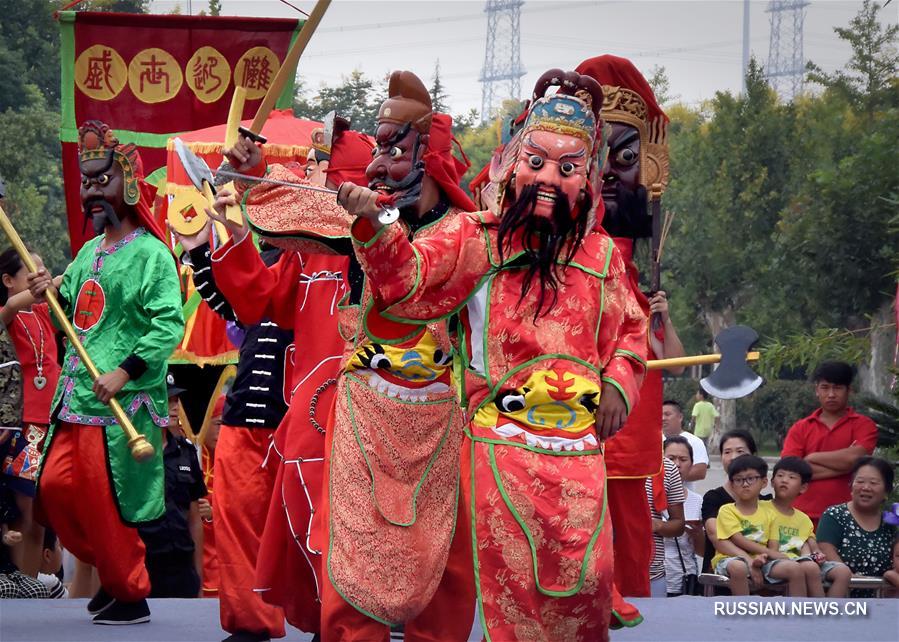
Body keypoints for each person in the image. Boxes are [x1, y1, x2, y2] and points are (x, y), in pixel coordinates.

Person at [340, 68, 647, 641]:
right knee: (512, 590)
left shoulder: (601, 255)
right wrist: (374, 224)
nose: (550, 179)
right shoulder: (476, 239)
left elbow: (630, 329)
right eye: (537, 162)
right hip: (497, 448)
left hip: (579, 453)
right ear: (510, 163)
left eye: (568, 167)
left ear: (589, 177)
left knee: (587, 583)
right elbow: (408, 280)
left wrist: (618, 385)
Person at [217, 75, 477, 642]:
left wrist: (369, 224)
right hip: (355, 420)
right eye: (376, 151)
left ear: (429, 159)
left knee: (445, 568)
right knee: (348, 568)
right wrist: (252, 172)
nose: (379, 167)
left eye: (395, 151)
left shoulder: (464, 233)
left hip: (438, 427)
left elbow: (409, 273)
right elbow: (291, 214)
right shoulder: (357, 227)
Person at [26, 120, 184, 625]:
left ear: (129, 184)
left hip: (121, 402)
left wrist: (125, 370)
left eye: (102, 181)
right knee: (54, 487)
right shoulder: (89, 252)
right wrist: (46, 290)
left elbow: (168, 327)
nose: (93, 192)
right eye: (87, 183)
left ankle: (129, 591)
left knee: (103, 497)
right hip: (77, 396)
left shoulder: (152, 255)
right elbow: (70, 312)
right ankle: (112, 573)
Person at [574, 54, 676, 617]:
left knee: (625, 510)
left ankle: (628, 604)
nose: (609, 172)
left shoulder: (638, 273)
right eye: (593, 155)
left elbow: (669, 357)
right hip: (555, 396)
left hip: (622, 398)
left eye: (626, 156)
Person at [174, 224, 295, 641]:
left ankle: (335, 621)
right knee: (236, 516)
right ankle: (251, 622)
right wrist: (198, 253)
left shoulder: (323, 260)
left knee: (318, 526)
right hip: (246, 416)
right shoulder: (262, 260)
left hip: (302, 418)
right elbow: (231, 305)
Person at [0, 248, 61, 578]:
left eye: (43, 271)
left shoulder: (45, 314)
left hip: (53, 422)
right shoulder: (6, 312)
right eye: (31, 273)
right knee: (23, 508)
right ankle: (17, 584)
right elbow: (10, 306)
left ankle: (33, 583)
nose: (40, 278)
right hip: (20, 426)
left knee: (41, 510)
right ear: (8, 280)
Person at [781, 361, 878, 525]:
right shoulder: (800, 428)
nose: (831, 394)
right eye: (825, 387)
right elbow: (791, 473)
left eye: (838, 387)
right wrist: (846, 466)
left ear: (849, 390)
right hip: (803, 516)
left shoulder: (864, 425)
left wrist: (811, 458)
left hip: (850, 515)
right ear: (817, 390)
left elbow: (856, 460)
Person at [137, 377, 206, 599]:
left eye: (176, 400)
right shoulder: (133, 454)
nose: (175, 407)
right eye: (167, 400)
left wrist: (199, 577)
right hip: (144, 564)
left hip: (182, 565)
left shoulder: (186, 452)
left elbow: (194, 519)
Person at [762, 456, 851, 597]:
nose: (784, 480)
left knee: (843, 572)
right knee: (808, 567)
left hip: (802, 560)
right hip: (773, 562)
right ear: (772, 482)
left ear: (803, 487)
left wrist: (818, 555)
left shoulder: (803, 519)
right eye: (780, 475)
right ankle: (814, 612)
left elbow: (813, 547)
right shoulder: (761, 509)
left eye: (792, 477)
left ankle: (832, 612)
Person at [817, 457, 897, 594]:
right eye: (860, 481)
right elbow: (826, 552)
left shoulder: (890, 522)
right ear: (851, 486)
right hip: (841, 599)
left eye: (874, 483)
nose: (866, 488)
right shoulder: (834, 515)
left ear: (886, 491)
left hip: (882, 602)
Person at [701, 429, 770, 573]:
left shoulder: (767, 502)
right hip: (724, 576)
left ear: (753, 455)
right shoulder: (713, 498)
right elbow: (717, 535)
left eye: (740, 451)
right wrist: (749, 561)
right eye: (727, 452)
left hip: (764, 572)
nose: (733, 457)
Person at [710, 454, 772, 595]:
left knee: (793, 568)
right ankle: (742, 609)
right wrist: (751, 560)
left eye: (750, 478)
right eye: (739, 480)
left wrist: (770, 555)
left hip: (762, 558)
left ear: (764, 482)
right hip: (729, 558)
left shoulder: (769, 510)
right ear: (732, 484)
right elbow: (732, 540)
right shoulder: (727, 510)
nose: (745, 484)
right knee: (739, 567)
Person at [663, 436, 704, 597]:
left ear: (691, 464)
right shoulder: (646, 497)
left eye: (683, 459)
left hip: (684, 577)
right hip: (652, 576)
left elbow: (701, 552)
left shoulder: (697, 501)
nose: (677, 464)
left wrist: (697, 534)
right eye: (671, 458)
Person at [646, 454, 686, 597]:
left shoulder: (666, 467)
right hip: (606, 573)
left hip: (653, 575)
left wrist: (657, 525)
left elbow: (679, 524)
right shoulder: (600, 458)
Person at [198, 395, 222, 599]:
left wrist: (214, 515)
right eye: (217, 423)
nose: (221, 431)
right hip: (192, 565)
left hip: (222, 570)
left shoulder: (234, 465)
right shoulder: (190, 458)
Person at [662, 400, 708, 488]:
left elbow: (700, 472)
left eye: (667, 414)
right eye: (660, 415)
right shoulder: (655, 440)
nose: (663, 418)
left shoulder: (694, 441)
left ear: (680, 417)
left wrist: (668, 479)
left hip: (685, 498)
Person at [37, 528, 68, 598]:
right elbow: (76, 603)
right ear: (47, 555)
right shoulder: (51, 584)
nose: (62, 549)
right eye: (59, 546)